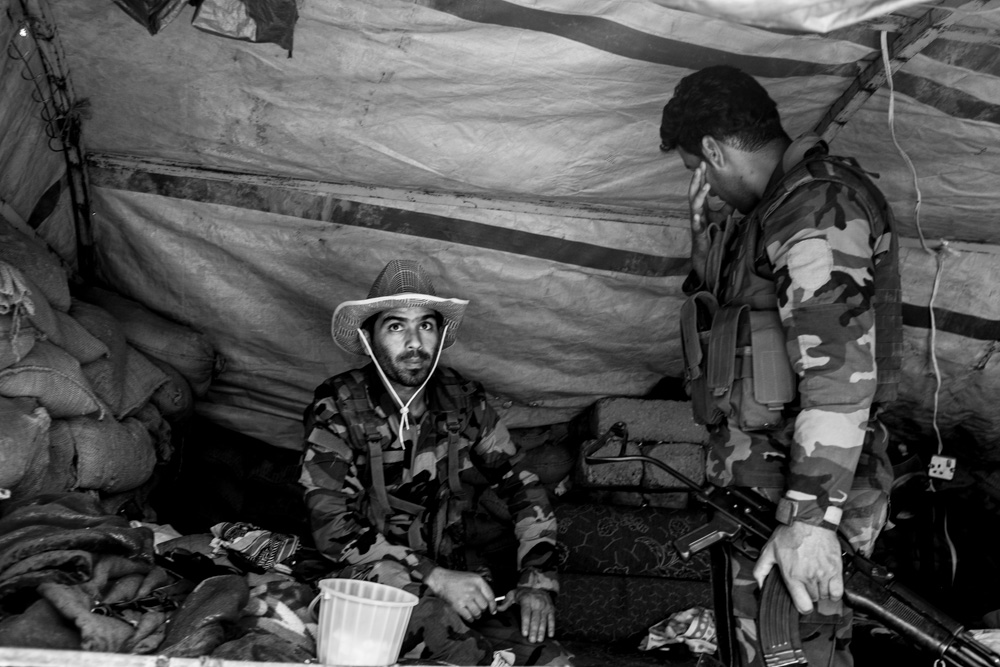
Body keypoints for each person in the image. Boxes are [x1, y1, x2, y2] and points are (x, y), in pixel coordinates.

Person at [660, 65, 902, 666]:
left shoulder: (816, 205)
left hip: (801, 496)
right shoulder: (769, 215)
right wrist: (703, 246)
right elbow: (744, 325)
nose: (706, 185)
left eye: (699, 169)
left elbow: (840, 371)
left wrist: (811, 521)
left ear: (714, 149)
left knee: (792, 657)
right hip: (768, 489)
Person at [299, 259, 572, 666]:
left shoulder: (461, 398)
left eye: (425, 325)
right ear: (369, 338)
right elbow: (333, 529)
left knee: (548, 656)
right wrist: (435, 577)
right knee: (440, 627)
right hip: (366, 581)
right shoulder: (337, 406)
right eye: (395, 326)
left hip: (449, 580)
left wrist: (536, 580)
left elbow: (522, 485)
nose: (414, 342)